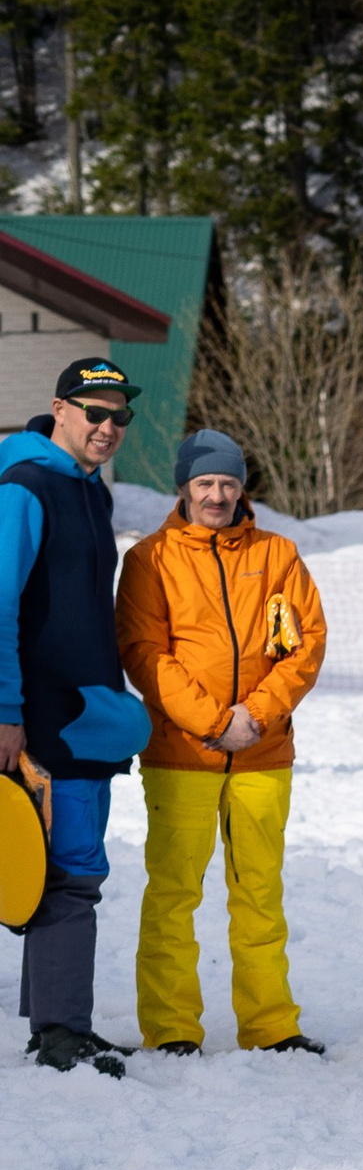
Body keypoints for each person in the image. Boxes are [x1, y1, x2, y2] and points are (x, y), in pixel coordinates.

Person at [114, 427, 329, 1058]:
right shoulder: (150, 559)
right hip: (181, 753)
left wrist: (256, 716)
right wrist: (214, 721)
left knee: (260, 892)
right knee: (174, 894)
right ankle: (173, 1028)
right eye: (205, 483)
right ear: (183, 487)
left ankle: (271, 1027)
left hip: (264, 752)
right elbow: (143, 653)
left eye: (228, 483)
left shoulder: (279, 555)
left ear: (242, 488)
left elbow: (305, 646)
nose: (217, 495)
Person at [0, 353, 152, 1076]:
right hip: (43, 718)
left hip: (83, 715)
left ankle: (52, 1021)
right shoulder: (25, 488)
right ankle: (63, 1033)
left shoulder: (91, 493)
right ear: (59, 409)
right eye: (95, 412)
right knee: (72, 872)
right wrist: (5, 710)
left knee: (58, 868)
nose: (109, 426)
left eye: (120, 415)